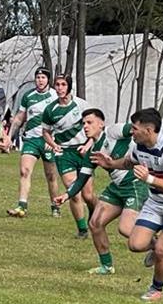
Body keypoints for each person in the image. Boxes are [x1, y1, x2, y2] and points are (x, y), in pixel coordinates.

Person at [91, 107, 163, 302]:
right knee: (135, 244)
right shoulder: (139, 147)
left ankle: (156, 289)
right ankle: (156, 248)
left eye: (134, 128)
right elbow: (127, 162)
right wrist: (110, 164)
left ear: (148, 130)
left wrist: (149, 179)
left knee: (162, 251)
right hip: (156, 202)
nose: (131, 132)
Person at [54, 109, 148, 275]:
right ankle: (107, 266)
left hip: (135, 184)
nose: (85, 126)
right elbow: (82, 179)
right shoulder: (91, 152)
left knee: (126, 230)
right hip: (117, 187)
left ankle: (157, 245)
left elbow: (136, 129)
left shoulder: (113, 131)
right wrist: (66, 195)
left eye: (89, 122)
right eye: (83, 123)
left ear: (101, 123)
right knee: (95, 223)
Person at [40, 74, 95, 238]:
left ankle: (95, 215)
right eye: (57, 85)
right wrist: (53, 143)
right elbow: (45, 131)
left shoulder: (82, 104)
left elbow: (94, 128)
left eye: (63, 84)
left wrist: (88, 145)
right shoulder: (50, 110)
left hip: (83, 152)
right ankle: (83, 229)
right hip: (64, 153)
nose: (60, 88)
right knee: (73, 191)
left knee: (88, 194)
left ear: (69, 86)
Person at [5, 68, 62, 219]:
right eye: (38, 77)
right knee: (24, 171)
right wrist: (9, 136)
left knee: (51, 176)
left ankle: (55, 206)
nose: (40, 80)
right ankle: (21, 206)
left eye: (43, 77)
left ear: (48, 80)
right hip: (31, 139)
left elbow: (60, 119)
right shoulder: (28, 96)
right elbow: (19, 118)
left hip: (48, 140)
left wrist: (54, 140)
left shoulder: (55, 96)